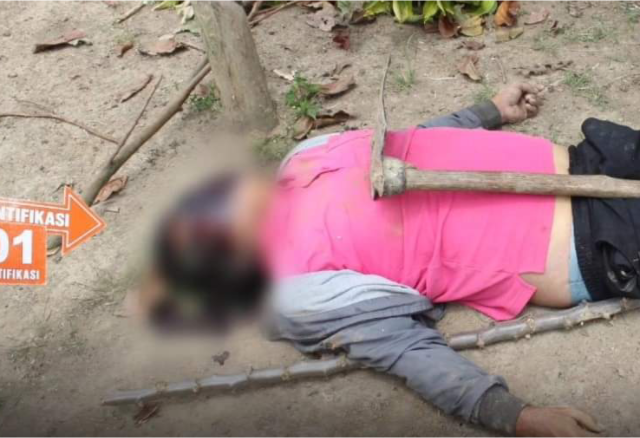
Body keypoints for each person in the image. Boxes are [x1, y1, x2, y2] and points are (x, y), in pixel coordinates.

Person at [146, 82, 640, 437]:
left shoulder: (304, 158)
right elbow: (404, 350)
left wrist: (488, 111)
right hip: (592, 241)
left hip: (587, 159)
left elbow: (409, 142)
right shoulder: (290, 292)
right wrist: (519, 417)